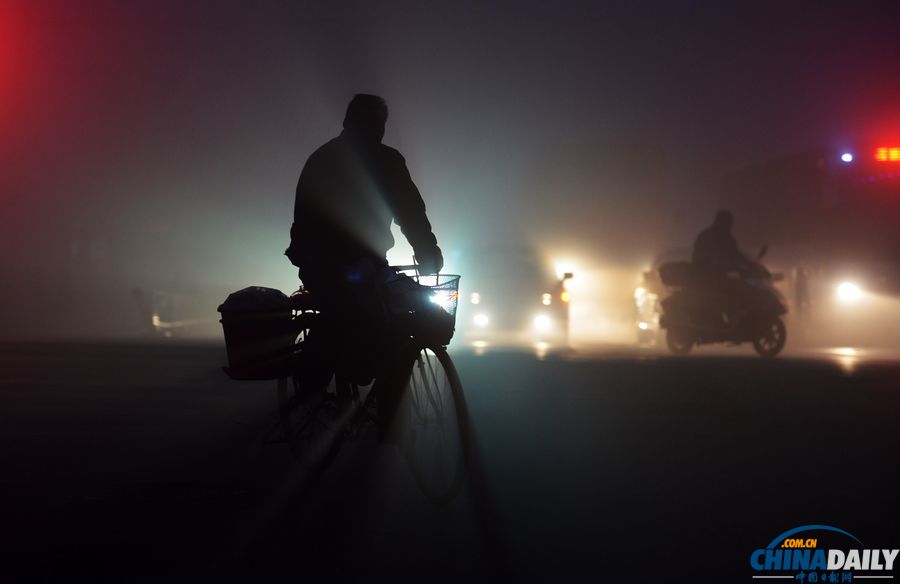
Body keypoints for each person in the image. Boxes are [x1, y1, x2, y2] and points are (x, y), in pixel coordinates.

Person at [285, 94, 443, 438]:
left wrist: (426, 248)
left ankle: (360, 393)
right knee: (368, 318)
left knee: (374, 317)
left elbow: (409, 212)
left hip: (341, 263)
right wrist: (428, 252)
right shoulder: (378, 161)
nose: (376, 132)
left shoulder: (325, 157)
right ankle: (335, 396)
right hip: (337, 263)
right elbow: (410, 214)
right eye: (373, 125)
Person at [691, 210, 754, 324]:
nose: (730, 225)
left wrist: (746, 264)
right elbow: (733, 255)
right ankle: (731, 321)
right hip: (709, 276)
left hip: (709, 275)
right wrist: (746, 265)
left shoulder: (709, 235)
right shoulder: (721, 237)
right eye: (729, 222)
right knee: (737, 291)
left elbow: (734, 255)